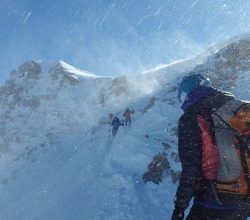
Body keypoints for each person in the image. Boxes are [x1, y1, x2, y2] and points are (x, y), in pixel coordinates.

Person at [171, 74, 250, 220]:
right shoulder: (233, 109)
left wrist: (180, 207)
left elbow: (191, 169)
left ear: (187, 94)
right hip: (244, 202)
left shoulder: (191, 117)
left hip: (215, 200)